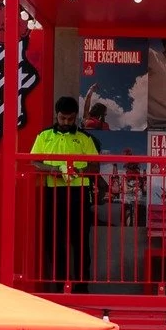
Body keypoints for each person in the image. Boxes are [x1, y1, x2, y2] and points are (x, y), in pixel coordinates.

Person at [31, 96, 100, 288]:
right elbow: (34, 162)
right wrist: (53, 170)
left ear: (76, 116)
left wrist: (78, 171)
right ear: (56, 115)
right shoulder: (44, 136)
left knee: (80, 242)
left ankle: (80, 286)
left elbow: (95, 166)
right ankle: (60, 284)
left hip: (79, 194)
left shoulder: (85, 138)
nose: (66, 122)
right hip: (53, 193)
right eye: (62, 118)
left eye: (70, 119)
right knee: (54, 241)